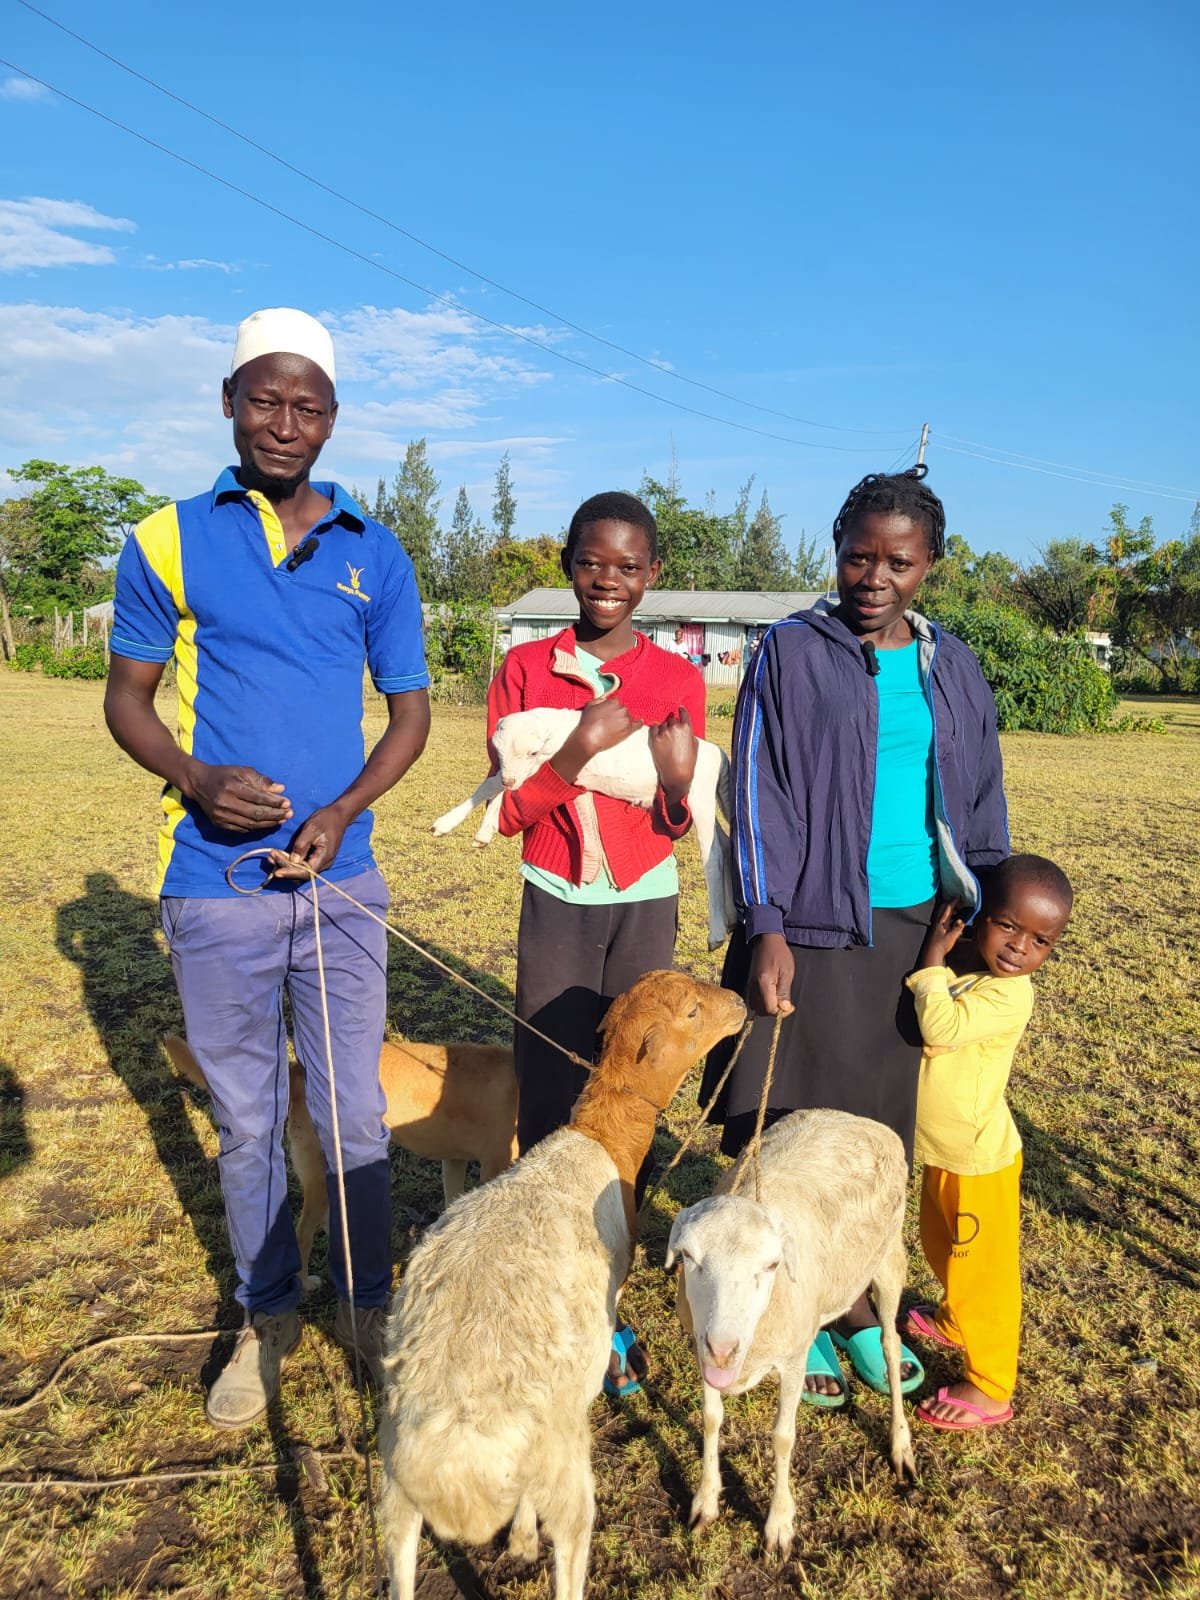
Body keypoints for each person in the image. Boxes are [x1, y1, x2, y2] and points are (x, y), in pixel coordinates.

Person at [104, 308, 431, 1427]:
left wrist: (343, 810)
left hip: (339, 885)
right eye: (264, 399)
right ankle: (266, 1315)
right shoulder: (165, 539)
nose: (284, 424)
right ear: (229, 400)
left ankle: (369, 1305)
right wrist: (194, 777)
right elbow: (128, 699)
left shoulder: (374, 551)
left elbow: (411, 714)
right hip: (215, 888)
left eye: (307, 406)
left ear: (332, 419)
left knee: (353, 1115)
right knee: (247, 1123)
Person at [701, 465, 1009, 1406]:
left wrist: (984, 907)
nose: (875, 578)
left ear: (930, 566)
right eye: (857, 557)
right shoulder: (789, 651)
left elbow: (982, 789)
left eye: (898, 563)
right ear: (836, 553)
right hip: (811, 922)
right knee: (789, 1121)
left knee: (878, 1134)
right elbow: (759, 790)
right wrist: (767, 924)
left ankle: (862, 1310)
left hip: (917, 927)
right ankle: (798, 1318)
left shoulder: (953, 666)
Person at [486, 489, 705, 1395]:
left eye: (627, 567)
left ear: (651, 575)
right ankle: (552, 1287)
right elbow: (508, 812)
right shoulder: (524, 668)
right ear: (568, 565)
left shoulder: (676, 678)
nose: (606, 581)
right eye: (590, 562)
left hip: (645, 898)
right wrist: (576, 750)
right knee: (550, 1082)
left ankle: (605, 1293)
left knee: (634, 1087)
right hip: (555, 894)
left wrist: (679, 786)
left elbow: (679, 818)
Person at [905, 855, 1073, 1430]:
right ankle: (956, 1320)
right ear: (981, 918)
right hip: (945, 1153)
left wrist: (932, 963)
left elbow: (940, 1026)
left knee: (984, 1274)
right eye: (1008, 926)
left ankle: (991, 1384)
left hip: (980, 1161)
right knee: (940, 1246)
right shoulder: (978, 973)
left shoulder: (1012, 995)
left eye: (1040, 941)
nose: (1020, 947)